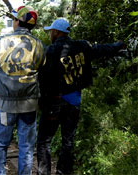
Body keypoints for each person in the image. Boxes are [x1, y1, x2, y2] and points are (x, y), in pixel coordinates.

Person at [37, 18, 126, 175]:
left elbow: (43, 80)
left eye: (51, 31)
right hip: (74, 102)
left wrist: (41, 102)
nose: (50, 33)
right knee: (68, 140)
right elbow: (102, 49)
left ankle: (43, 173)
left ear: (57, 32)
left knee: (44, 140)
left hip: (54, 102)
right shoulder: (82, 47)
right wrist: (118, 45)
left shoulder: (50, 51)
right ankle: (63, 172)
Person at [0, 6, 45, 175]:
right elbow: (42, 71)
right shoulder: (40, 45)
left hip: (7, 105)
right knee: (26, 146)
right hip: (30, 105)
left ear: (17, 21)